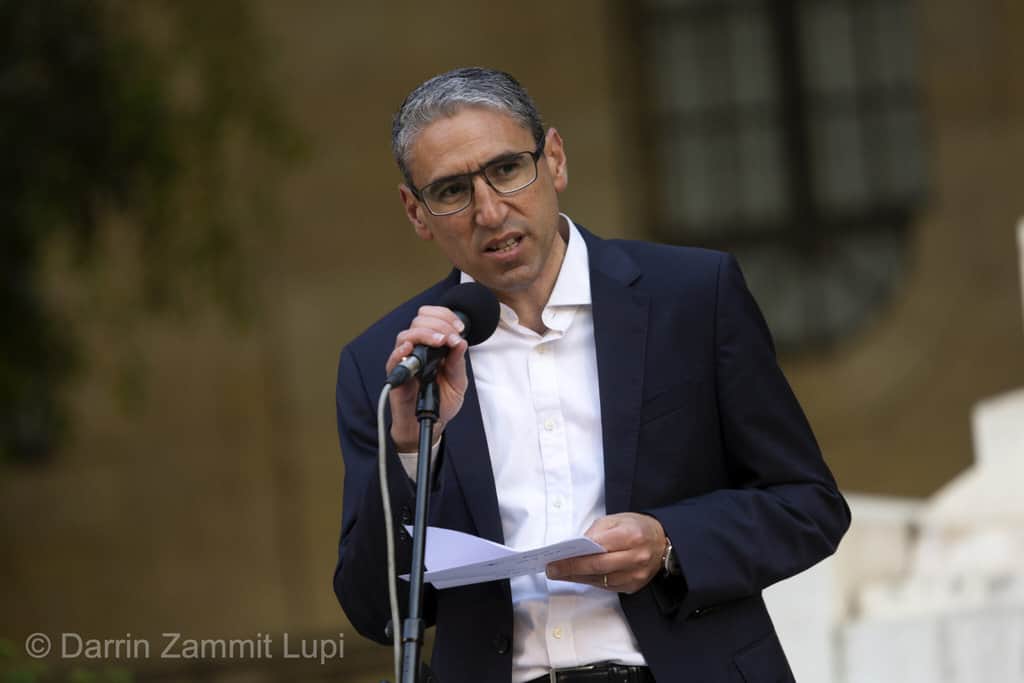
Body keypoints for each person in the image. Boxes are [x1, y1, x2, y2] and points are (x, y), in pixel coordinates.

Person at [333, 67, 850, 683]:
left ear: (554, 159)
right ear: (416, 213)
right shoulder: (389, 365)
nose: (490, 212)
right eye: (451, 191)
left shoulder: (692, 296)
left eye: (507, 169)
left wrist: (668, 543)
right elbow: (375, 610)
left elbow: (808, 505)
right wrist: (411, 450)